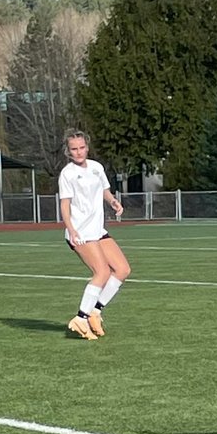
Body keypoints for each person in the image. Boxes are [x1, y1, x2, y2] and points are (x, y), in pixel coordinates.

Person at [58, 130, 131, 340]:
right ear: (68, 151)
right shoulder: (68, 174)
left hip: (97, 230)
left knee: (122, 269)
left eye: (82, 147)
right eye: (74, 149)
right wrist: (72, 229)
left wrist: (113, 201)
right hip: (81, 232)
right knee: (102, 273)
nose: (79, 152)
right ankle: (81, 318)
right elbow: (65, 205)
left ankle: (95, 311)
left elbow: (104, 190)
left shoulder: (97, 167)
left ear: (87, 147)